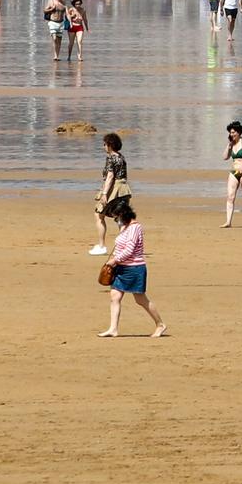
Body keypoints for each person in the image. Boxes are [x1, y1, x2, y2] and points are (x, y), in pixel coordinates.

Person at [99, 200, 166, 338]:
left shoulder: (135, 228)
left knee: (140, 299)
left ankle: (160, 324)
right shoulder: (125, 227)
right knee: (115, 296)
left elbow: (129, 250)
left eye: (116, 217)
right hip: (121, 267)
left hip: (134, 268)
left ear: (123, 214)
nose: (115, 219)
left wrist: (114, 261)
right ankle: (113, 329)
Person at [91, 132, 131, 255]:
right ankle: (123, 247)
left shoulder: (111, 158)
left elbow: (110, 176)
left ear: (109, 145)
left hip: (114, 189)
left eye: (104, 144)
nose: (103, 146)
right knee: (120, 218)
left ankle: (102, 246)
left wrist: (104, 194)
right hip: (124, 189)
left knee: (99, 215)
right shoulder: (121, 157)